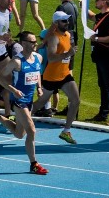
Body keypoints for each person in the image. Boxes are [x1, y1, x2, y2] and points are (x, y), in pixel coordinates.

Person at [0, 30, 49, 175]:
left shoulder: (38, 57)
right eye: (32, 42)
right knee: (32, 131)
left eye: (35, 41)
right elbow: (0, 78)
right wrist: (13, 90)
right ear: (23, 44)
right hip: (18, 101)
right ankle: (34, 164)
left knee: (18, 134)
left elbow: (37, 74)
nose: (35, 44)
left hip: (29, 100)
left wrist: (39, 87)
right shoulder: (16, 61)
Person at [31, 11, 80, 144]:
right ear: (56, 23)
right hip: (52, 76)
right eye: (64, 21)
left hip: (64, 75)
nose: (67, 23)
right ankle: (23, 116)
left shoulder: (68, 35)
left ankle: (66, 131)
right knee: (40, 103)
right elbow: (51, 58)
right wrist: (68, 54)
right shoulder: (54, 37)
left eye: (67, 20)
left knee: (76, 101)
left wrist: (70, 56)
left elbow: (67, 53)